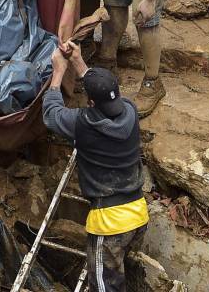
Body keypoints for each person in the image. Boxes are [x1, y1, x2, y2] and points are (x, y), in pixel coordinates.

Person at [43, 42, 148, 292]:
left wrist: (58, 72)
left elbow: (51, 114)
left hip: (110, 224)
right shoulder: (131, 112)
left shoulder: (85, 125)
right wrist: (79, 62)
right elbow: (102, 94)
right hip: (137, 215)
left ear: (90, 103)